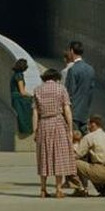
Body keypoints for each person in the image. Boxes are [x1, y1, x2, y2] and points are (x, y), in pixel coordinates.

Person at [32, 68, 77, 198]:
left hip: (44, 124)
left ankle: (43, 189)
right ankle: (58, 189)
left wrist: (35, 130)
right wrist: (70, 129)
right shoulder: (61, 89)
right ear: (57, 78)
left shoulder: (37, 90)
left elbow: (35, 113)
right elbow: (67, 110)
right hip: (58, 122)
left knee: (44, 156)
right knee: (59, 156)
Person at [72, 114, 105, 197]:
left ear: (93, 124)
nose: (87, 127)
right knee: (91, 164)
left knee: (72, 163)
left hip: (99, 172)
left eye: (88, 124)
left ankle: (80, 188)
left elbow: (77, 155)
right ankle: (102, 188)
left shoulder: (89, 137)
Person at [64, 41, 95, 134]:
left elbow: (69, 92)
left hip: (74, 111)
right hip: (85, 111)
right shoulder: (90, 69)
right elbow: (91, 91)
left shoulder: (72, 70)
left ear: (72, 51)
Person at [10, 58, 33, 136]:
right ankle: (28, 129)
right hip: (18, 99)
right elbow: (22, 92)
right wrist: (32, 96)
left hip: (15, 97)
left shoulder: (15, 74)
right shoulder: (19, 76)